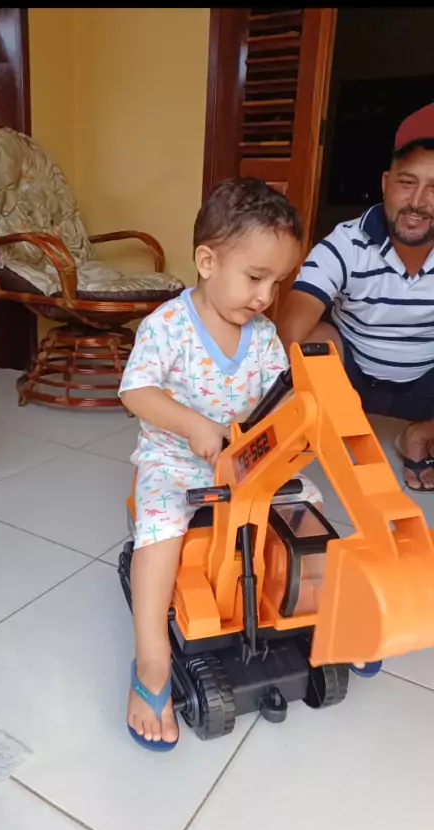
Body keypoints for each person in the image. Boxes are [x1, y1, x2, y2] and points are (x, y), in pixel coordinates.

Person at [119, 178, 322, 750]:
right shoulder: (167, 326)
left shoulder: (264, 338)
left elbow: (278, 402)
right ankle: (151, 662)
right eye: (255, 278)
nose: (265, 297)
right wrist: (192, 426)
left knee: (308, 507)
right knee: (161, 531)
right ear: (207, 262)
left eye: (277, 283)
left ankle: (318, 615)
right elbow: (136, 392)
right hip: (176, 461)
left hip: (246, 462)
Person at [277, 102, 434, 493]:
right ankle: (330, 427)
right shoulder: (345, 243)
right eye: (407, 182)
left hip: (424, 385)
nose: (418, 202)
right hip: (353, 380)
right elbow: (291, 327)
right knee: (311, 339)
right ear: (385, 183)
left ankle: (420, 434)